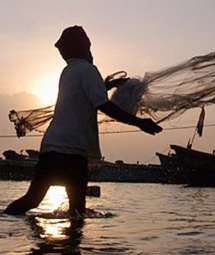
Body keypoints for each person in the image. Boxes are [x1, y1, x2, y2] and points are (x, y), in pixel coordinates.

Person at [4, 25, 162, 215]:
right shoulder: (88, 70)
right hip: (71, 151)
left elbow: (83, 95)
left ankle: (6, 220)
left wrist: (107, 85)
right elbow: (103, 105)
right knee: (77, 210)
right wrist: (139, 123)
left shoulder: (69, 71)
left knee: (33, 200)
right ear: (84, 46)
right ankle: (73, 244)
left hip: (52, 148)